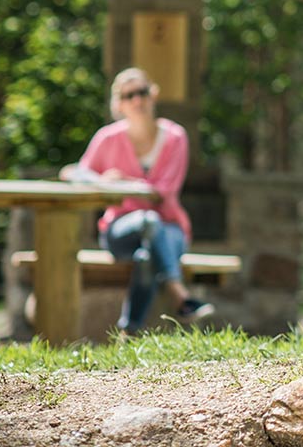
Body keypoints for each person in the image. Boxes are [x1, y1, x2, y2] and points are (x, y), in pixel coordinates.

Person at [64, 67, 213, 334]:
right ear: (119, 104)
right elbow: (74, 172)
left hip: (171, 229)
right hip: (120, 230)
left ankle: (128, 332)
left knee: (147, 254)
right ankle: (180, 294)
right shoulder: (108, 138)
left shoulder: (175, 137)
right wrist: (104, 181)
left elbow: (163, 192)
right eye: (129, 95)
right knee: (147, 219)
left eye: (142, 92)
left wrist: (125, 184)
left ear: (153, 95)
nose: (137, 100)